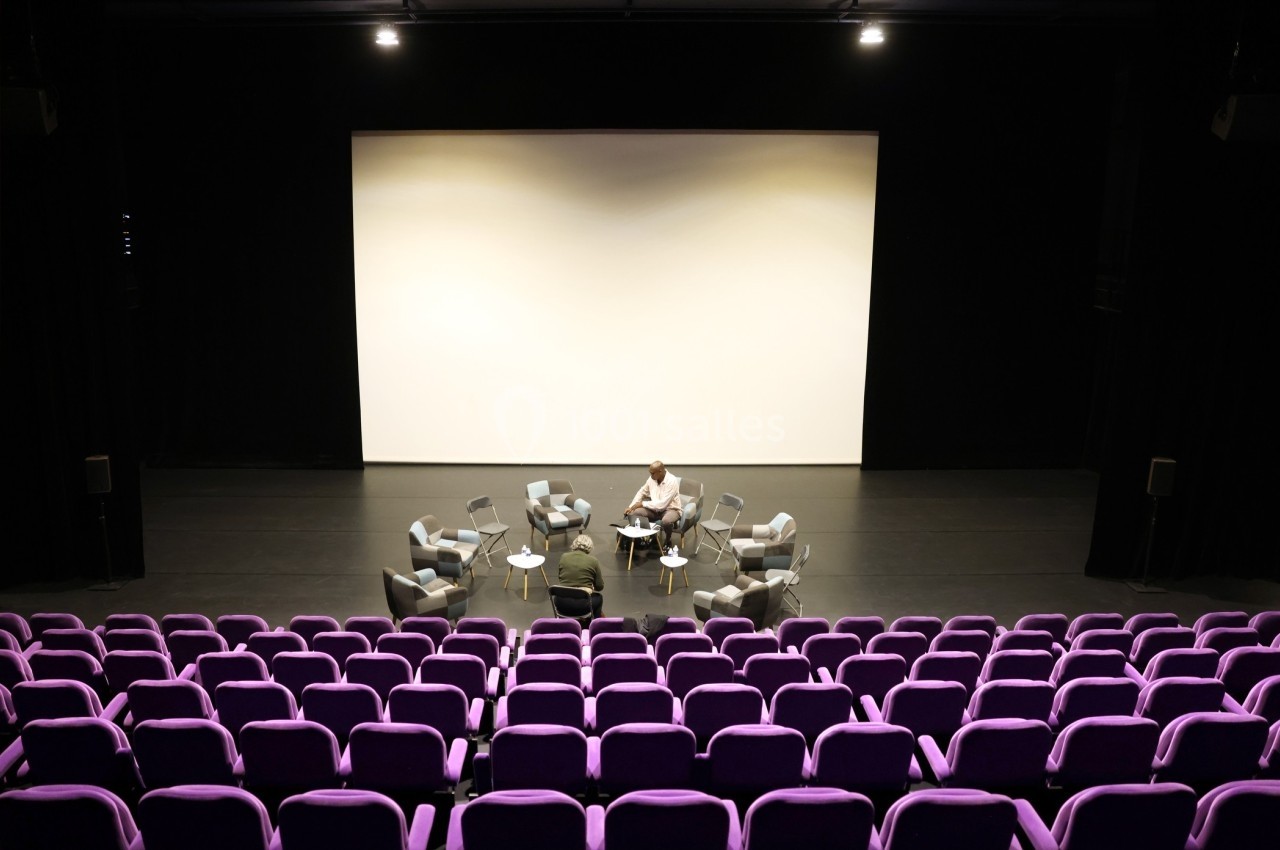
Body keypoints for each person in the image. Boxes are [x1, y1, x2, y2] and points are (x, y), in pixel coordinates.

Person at [624, 460, 682, 549]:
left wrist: (642, 503)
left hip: (670, 509)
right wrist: (631, 506)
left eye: (652, 473)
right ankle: (648, 536)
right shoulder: (652, 478)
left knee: (666, 521)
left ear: (660, 471)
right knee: (634, 513)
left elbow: (662, 505)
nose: (651, 476)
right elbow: (642, 492)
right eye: (650, 473)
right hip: (654, 509)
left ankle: (668, 540)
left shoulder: (672, 481)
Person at [557, 533, 604, 618]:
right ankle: (595, 625)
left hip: (562, 603)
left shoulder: (564, 557)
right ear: (590, 547)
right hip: (582, 605)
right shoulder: (593, 561)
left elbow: (560, 578)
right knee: (599, 598)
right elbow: (600, 586)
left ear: (574, 544)